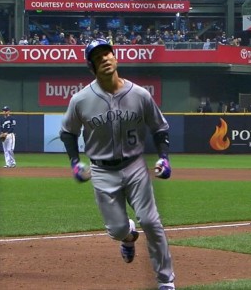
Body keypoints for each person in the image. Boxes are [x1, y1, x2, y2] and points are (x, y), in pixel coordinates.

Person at [60, 38, 176, 290]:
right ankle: (128, 236)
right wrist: (74, 163)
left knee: (151, 221)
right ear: (91, 67)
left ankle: (166, 281)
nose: (104, 59)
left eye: (107, 53)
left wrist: (164, 158)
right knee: (117, 229)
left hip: (135, 166)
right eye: (97, 57)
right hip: (101, 170)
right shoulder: (80, 100)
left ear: (116, 57)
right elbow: (68, 132)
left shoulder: (140, 94)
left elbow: (160, 128)